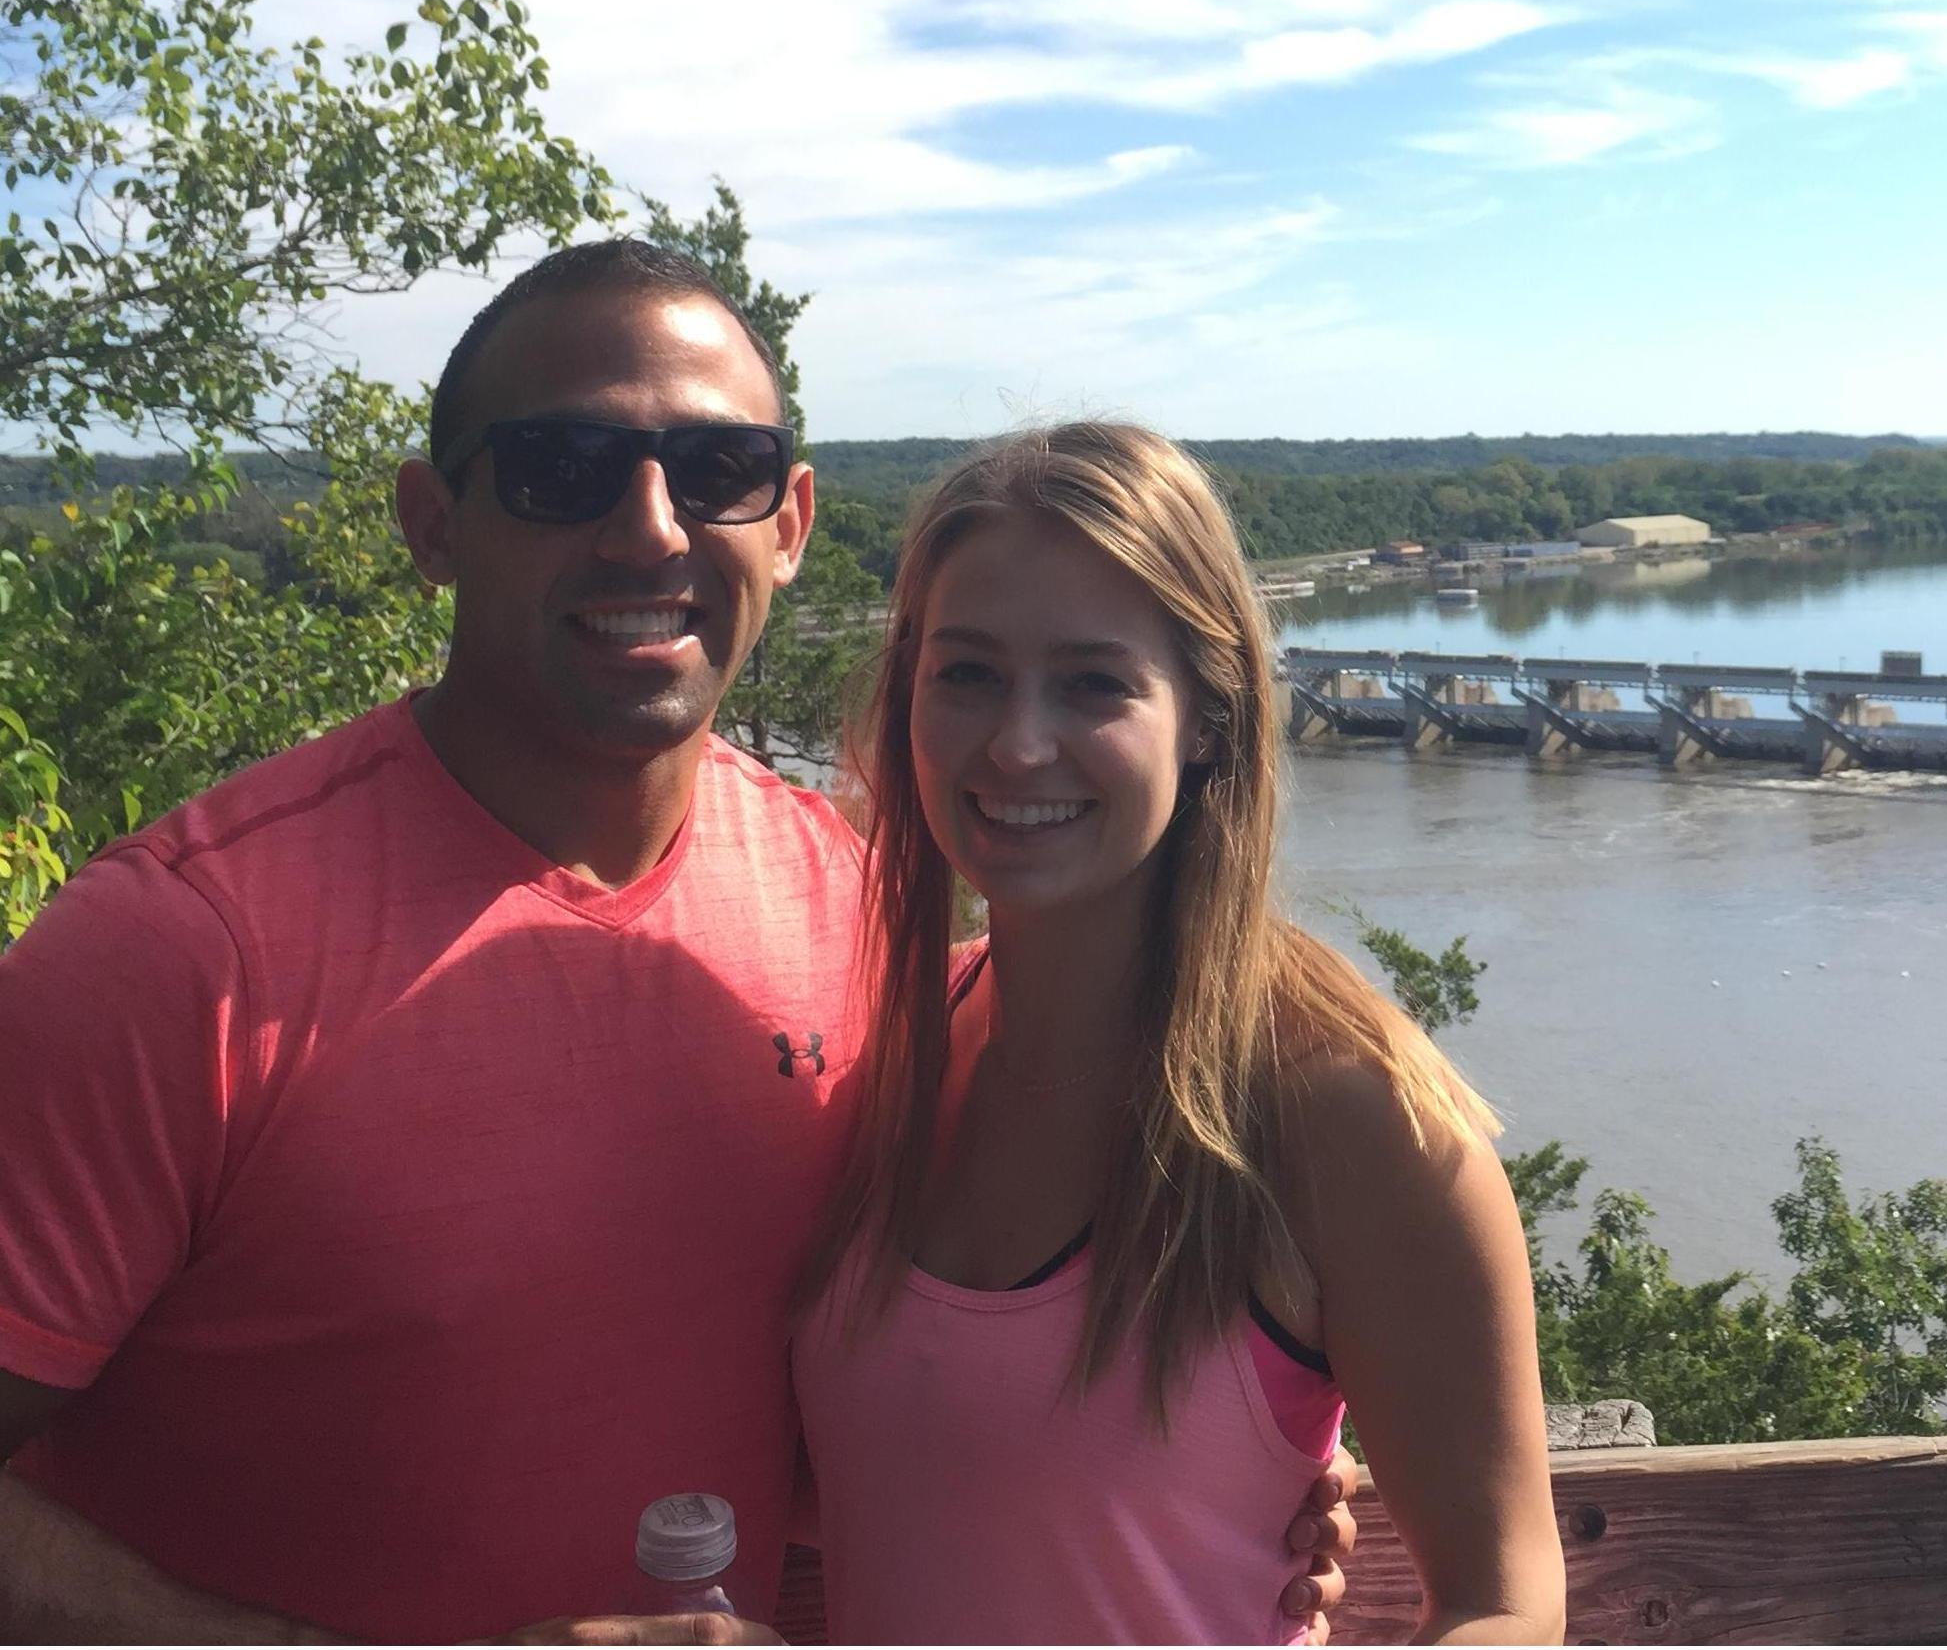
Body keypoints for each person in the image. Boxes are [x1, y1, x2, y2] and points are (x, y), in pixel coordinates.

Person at [0, 243, 1355, 1643]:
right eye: (559, 465)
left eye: (717, 469)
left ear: (790, 521)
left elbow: (884, 1377)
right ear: (431, 522)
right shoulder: (183, 956)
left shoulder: (854, 908)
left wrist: (1234, 1464)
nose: (649, 527)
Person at [794, 422, 1567, 1644]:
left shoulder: (1345, 1115)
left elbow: (1503, 1603)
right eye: (968, 672)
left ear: (1207, 717)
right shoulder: (895, 1052)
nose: (1018, 742)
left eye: (1094, 681)